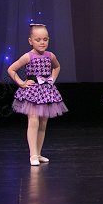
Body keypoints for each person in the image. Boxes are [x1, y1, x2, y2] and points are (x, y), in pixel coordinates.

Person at [7, 23, 68, 166]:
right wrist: (21, 83)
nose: (42, 42)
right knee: (33, 121)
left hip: (46, 92)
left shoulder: (50, 55)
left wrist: (52, 79)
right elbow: (11, 69)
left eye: (45, 39)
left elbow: (57, 66)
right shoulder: (28, 56)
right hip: (33, 92)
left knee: (43, 123)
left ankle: (38, 153)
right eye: (38, 39)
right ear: (30, 41)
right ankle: (33, 154)